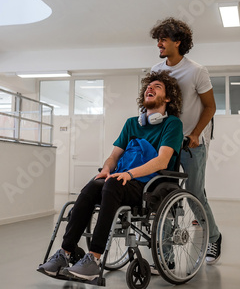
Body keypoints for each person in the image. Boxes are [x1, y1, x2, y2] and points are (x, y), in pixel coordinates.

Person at [37, 70, 183, 281]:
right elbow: (114, 156)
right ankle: (65, 252)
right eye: (148, 87)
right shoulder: (132, 123)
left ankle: (93, 258)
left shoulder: (172, 124)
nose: (150, 88)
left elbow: (162, 161)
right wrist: (106, 170)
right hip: (120, 180)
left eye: (157, 87)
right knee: (94, 185)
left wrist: (129, 174)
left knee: (112, 185)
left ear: (168, 98)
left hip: (148, 185)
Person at [149, 17, 222, 264]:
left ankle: (213, 238)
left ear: (178, 42)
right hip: (165, 144)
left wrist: (195, 134)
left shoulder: (196, 71)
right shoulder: (156, 72)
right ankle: (166, 254)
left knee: (194, 193)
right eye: (158, 39)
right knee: (164, 195)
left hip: (192, 143)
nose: (158, 43)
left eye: (163, 39)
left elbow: (210, 107)